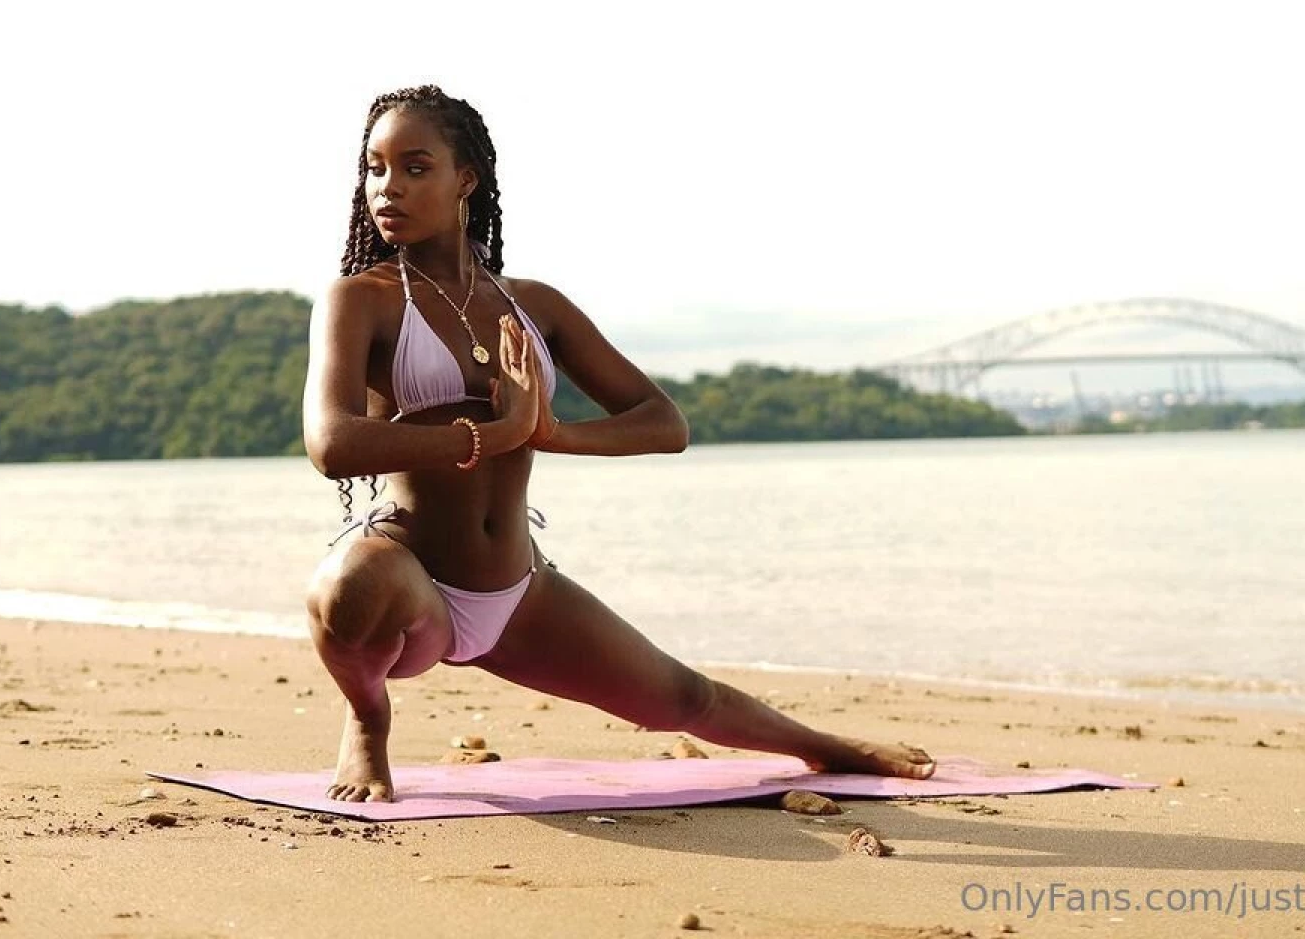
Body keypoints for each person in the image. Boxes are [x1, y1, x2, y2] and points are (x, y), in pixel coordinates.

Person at [302, 85, 936, 802]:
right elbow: (331, 443)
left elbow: (663, 422)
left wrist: (549, 432)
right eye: (376, 168)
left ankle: (825, 747)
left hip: (514, 587)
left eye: (415, 167)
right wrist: (492, 432)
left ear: (465, 180)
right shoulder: (364, 299)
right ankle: (366, 718)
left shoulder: (533, 306)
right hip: (412, 584)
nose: (389, 187)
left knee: (683, 700)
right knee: (349, 586)